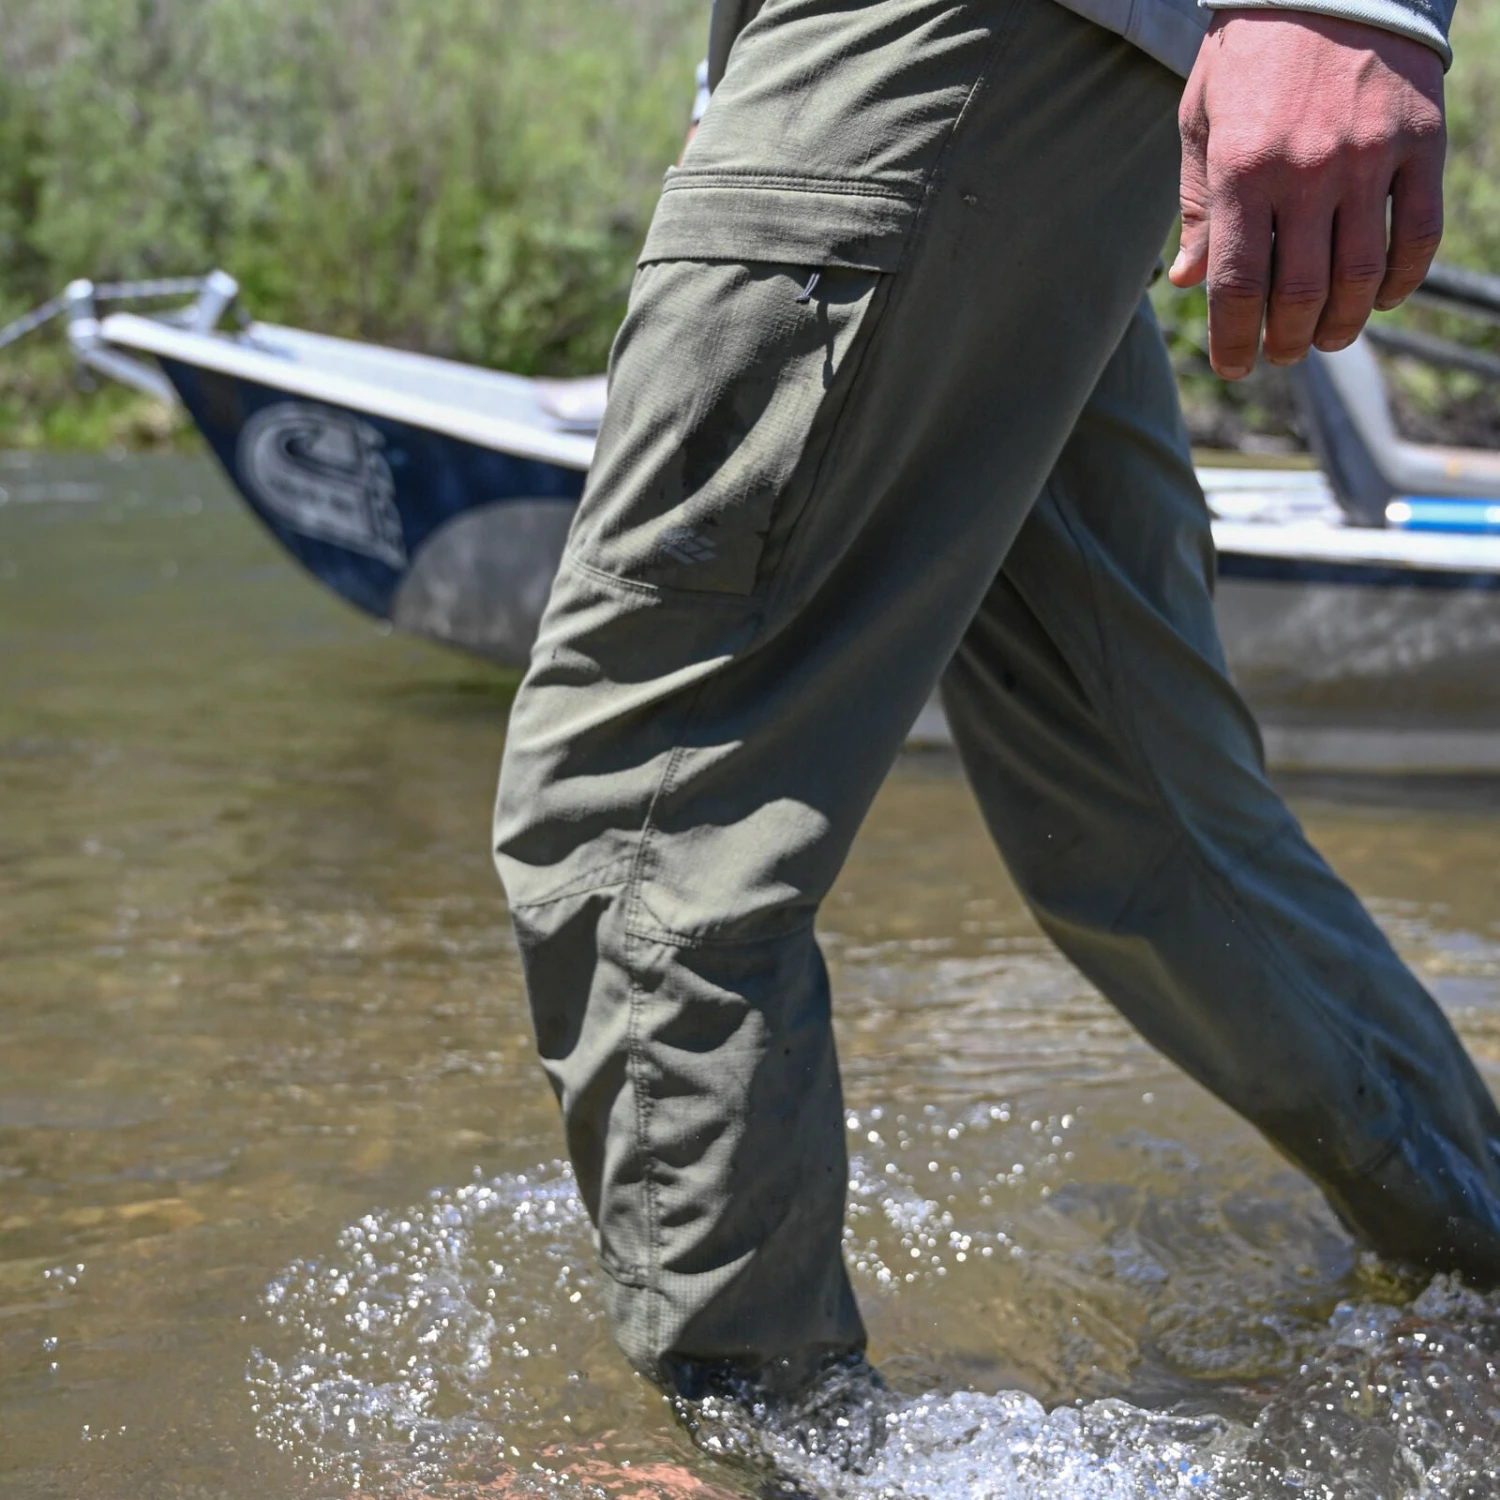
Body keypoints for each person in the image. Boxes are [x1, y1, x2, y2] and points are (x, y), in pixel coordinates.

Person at [495, 0, 1500, 1428]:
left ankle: (769, 1449)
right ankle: (1481, 1259)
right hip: (1021, 70)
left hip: (945, 47)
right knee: (1143, 825)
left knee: (637, 812)